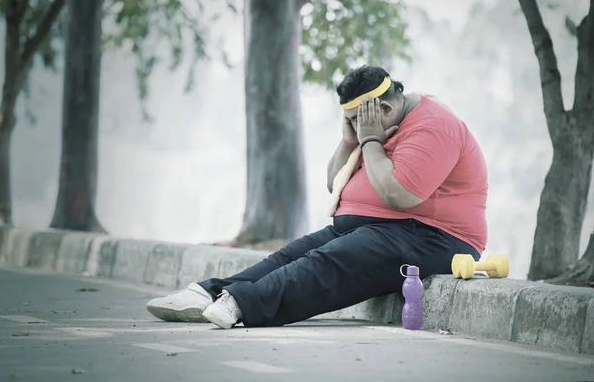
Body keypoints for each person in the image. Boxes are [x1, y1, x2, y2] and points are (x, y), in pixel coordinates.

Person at [146, 65, 488, 329]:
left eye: (359, 120)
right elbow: (334, 181)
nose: (356, 127)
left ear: (382, 108)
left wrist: (369, 140)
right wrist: (351, 140)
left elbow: (398, 195)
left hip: (434, 238)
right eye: (350, 122)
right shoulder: (375, 125)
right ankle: (211, 291)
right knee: (290, 254)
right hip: (380, 229)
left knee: (328, 261)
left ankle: (242, 305)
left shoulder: (434, 127)